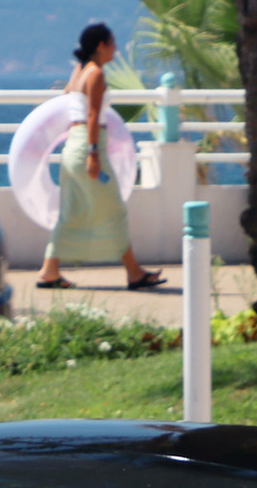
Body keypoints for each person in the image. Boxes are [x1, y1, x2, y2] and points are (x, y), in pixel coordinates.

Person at [33, 24, 163, 291]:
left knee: (70, 212)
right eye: (113, 42)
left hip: (72, 147)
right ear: (100, 46)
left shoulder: (78, 71)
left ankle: (49, 271)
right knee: (114, 209)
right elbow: (93, 115)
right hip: (89, 148)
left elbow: (68, 101)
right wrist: (94, 154)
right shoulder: (96, 75)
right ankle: (134, 273)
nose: (116, 46)